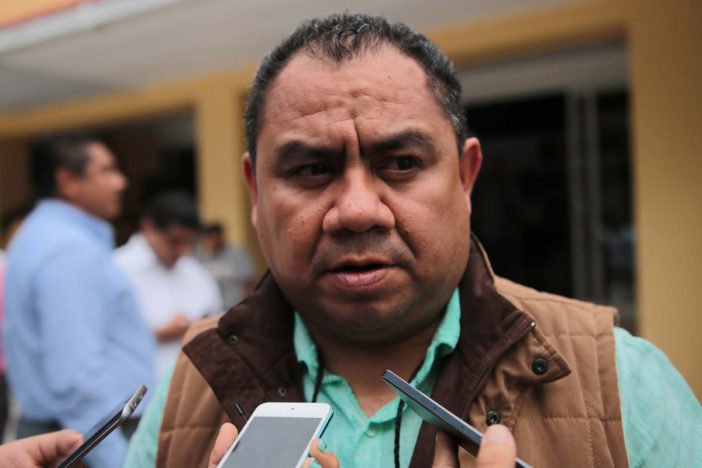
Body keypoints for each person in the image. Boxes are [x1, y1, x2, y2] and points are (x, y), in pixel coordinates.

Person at [126, 13, 701, 468]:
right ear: (255, 190)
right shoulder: (191, 389)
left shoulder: (619, 385)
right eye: (311, 170)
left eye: (402, 163)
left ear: (465, 177)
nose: (357, 211)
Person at [4, 134, 156, 468]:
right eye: (107, 170)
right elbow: (76, 381)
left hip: (76, 434)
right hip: (87, 441)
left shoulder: (44, 236)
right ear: (68, 182)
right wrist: (119, 461)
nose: (121, 182)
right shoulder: (67, 248)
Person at [115, 192, 222, 380]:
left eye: (189, 242)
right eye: (175, 241)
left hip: (190, 386)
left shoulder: (195, 272)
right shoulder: (117, 269)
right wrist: (157, 335)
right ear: (148, 227)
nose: (183, 250)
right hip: (134, 389)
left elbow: (217, 321)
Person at [196, 222, 256, 308]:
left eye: (217, 237)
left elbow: (249, 282)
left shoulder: (237, 254)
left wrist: (245, 304)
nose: (214, 241)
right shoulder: (200, 259)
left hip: (236, 307)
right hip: (214, 310)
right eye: (211, 238)